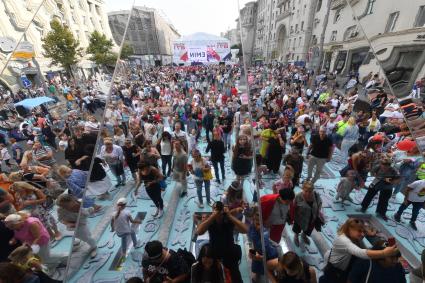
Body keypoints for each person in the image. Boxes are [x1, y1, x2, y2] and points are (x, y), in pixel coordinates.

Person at [319, 218, 398, 283]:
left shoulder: (356, 238)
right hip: (335, 274)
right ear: (349, 229)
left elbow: (368, 247)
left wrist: (387, 244)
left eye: (363, 231)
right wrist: (384, 253)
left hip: (344, 271)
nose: (363, 234)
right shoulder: (343, 240)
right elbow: (361, 253)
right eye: (359, 231)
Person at [196, 201, 248, 283]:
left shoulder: (228, 219)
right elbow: (199, 231)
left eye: (219, 209)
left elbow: (245, 230)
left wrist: (229, 215)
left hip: (230, 255)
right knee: (216, 278)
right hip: (215, 256)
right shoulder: (210, 220)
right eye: (215, 209)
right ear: (212, 210)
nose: (218, 211)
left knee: (236, 279)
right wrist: (213, 216)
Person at [56, 194, 98, 258]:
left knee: (86, 236)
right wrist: (67, 223)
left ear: (74, 201)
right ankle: (76, 242)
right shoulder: (60, 210)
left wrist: (88, 211)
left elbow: (85, 214)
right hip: (71, 225)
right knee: (76, 235)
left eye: (68, 206)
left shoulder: (79, 206)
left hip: (81, 224)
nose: (66, 208)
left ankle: (94, 246)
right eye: (64, 207)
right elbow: (60, 219)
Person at [248, 210, 279, 281]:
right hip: (257, 251)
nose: (256, 222)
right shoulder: (252, 226)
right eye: (255, 219)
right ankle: (257, 275)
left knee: (267, 269)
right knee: (256, 267)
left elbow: (265, 248)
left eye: (259, 221)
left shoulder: (265, 233)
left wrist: (261, 257)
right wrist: (251, 250)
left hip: (267, 254)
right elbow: (250, 237)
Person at [292, 181, 322, 247]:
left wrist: (318, 213)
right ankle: (296, 236)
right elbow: (293, 207)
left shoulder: (316, 195)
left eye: (310, 191)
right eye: (306, 191)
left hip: (311, 218)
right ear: (302, 189)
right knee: (297, 229)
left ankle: (304, 235)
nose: (308, 193)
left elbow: (319, 204)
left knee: (308, 229)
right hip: (300, 218)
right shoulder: (298, 196)